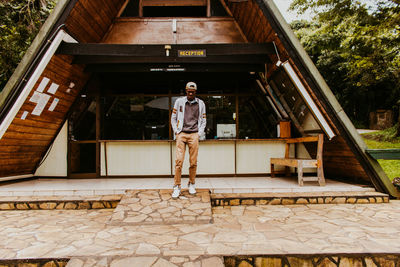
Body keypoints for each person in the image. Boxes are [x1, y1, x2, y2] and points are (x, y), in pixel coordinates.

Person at [170, 82, 206, 199]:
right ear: (186, 91)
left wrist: (199, 134)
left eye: (193, 92)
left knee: (193, 162)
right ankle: (176, 186)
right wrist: (176, 131)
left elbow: (203, 120)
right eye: (188, 91)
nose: (190, 93)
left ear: (195, 92)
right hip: (182, 134)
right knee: (178, 161)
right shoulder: (179, 101)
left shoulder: (201, 104)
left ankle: (191, 183)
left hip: (194, 134)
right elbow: (173, 118)